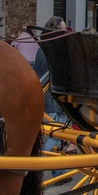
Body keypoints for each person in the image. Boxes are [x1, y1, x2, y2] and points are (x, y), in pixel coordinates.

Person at [33, 16, 73, 184]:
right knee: (55, 136)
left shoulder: (41, 49)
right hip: (54, 99)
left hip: (46, 97)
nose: (65, 33)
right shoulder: (55, 50)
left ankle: (57, 169)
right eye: (63, 30)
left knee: (53, 135)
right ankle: (56, 172)